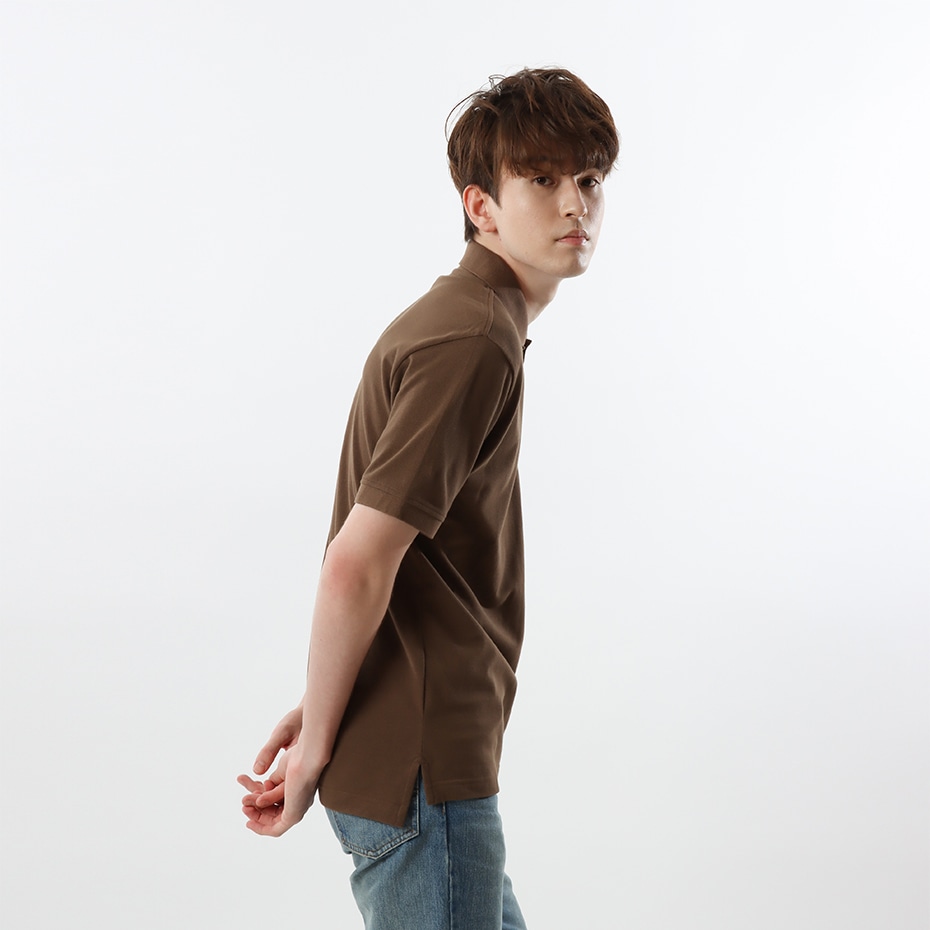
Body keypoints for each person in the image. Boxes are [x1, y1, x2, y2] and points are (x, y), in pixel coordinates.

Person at [237, 67, 620, 930]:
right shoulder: (474, 338)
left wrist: (329, 707)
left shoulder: (470, 320)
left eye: (590, 178)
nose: (575, 204)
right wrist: (317, 747)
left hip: (418, 760)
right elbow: (356, 564)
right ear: (481, 207)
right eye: (542, 179)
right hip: (424, 775)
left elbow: (398, 566)